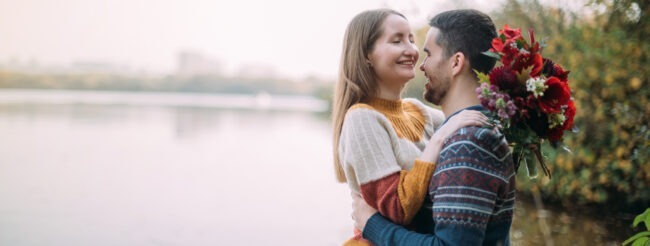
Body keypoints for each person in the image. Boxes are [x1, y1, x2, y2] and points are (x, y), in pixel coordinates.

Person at [350, 9, 517, 245]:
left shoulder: (468, 143)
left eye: (428, 54)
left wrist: (372, 224)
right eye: (397, 41)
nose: (421, 64)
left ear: (456, 63)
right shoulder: (465, 131)